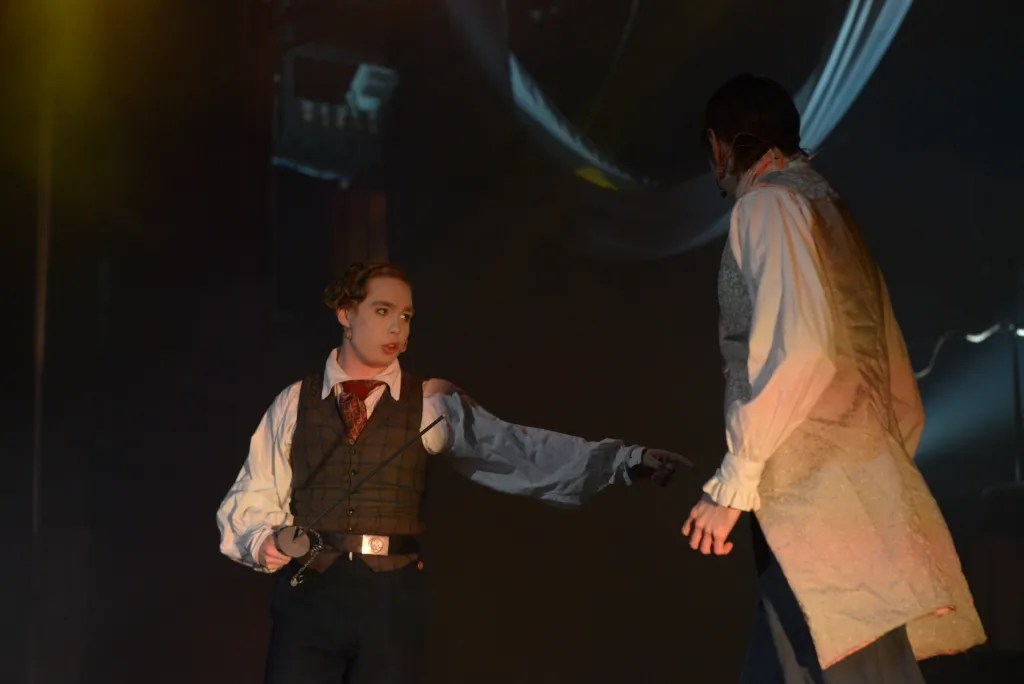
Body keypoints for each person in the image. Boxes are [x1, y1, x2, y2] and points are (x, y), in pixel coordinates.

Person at [217, 261, 689, 684]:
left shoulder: (431, 401)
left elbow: (518, 449)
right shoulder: (294, 402)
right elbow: (253, 494)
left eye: (406, 316)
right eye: (382, 311)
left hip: (390, 599)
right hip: (309, 597)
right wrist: (268, 541)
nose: (397, 327)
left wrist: (625, 460)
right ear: (345, 313)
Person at [680, 74, 986, 682]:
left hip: (813, 501)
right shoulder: (826, 207)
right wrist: (880, 470)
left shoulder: (767, 207)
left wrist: (732, 483)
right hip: (855, 488)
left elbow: (800, 350)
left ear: (719, 145)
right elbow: (894, 375)